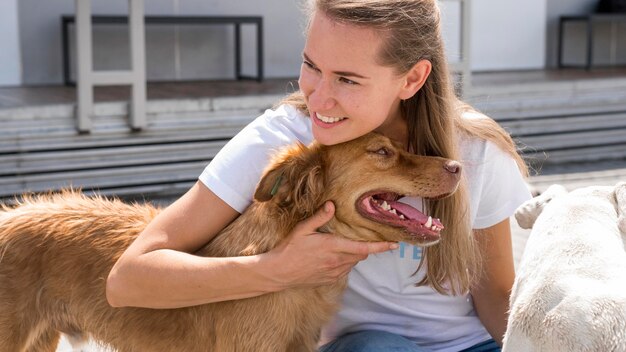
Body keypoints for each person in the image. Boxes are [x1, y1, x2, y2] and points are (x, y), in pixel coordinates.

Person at [106, 0, 532, 351]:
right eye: (312, 66)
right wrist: (277, 269)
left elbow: (495, 294)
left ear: (412, 78)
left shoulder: (474, 150)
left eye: (347, 79)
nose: (319, 97)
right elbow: (129, 279)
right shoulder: (283, 141)